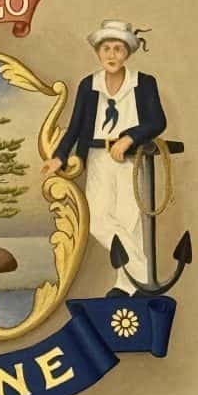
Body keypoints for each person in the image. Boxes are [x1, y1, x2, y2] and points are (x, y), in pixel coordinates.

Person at [42, 19, 166, 294]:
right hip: (98, 157)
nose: (112, 55)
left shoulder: (143, 84)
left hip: (132, 162)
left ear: (127, 53)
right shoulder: (90, 85)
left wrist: (130, 137)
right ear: (98, 52)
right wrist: (60, 156)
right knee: (98, 220)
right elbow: (75, 126)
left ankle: (126, 286)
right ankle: (144, 275)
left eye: (118, 49)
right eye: (106, 48)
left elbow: (157, 121)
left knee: (128, 221)